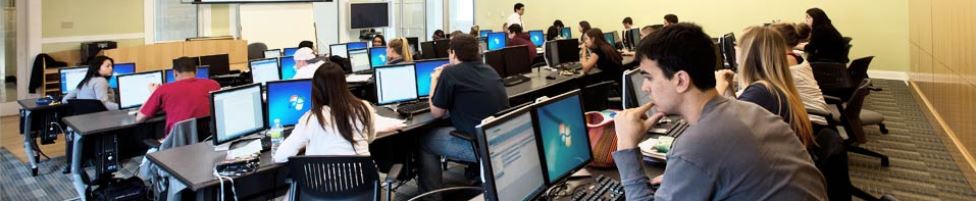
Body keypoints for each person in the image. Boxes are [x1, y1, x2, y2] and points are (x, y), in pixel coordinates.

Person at [612, 23, 827, 201]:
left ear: (680, 80)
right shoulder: (751, 110)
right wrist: (683, 175)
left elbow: (704, 155)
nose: (644, 88)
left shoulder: (697, 146)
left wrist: (626, 146)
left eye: (648, 77)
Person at [418, 34, 509, 201]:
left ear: (453, 53)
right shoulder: (489, 69)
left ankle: (431, 198)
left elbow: (436, 113)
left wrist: (434, 80)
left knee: (425, 141)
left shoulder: (450, 73)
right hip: (499, 138)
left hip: (476, 144)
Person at [273, 62, 403, 163]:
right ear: (344, 84)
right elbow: (368, 138)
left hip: (322, 191)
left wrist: (306, 144)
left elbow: (280, 157)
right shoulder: (364, 107)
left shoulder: (311, 118)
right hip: (362, 188)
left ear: (316, 89)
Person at [715, 26, 815, 147]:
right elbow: (738, 114)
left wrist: (718, 91)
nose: (735, 48)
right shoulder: (770, 86)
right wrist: (729, 88)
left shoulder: (761, 92)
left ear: (748, 53)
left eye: (737, 46)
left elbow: (721, 129)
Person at [136, 57, 221, 135]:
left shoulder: (163, 90)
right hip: (208, 139)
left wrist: (152, 93)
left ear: (175, 73)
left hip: (176, 144)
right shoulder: (213, 84)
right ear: (196, 70)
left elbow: (139, 118)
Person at [771, 23, 831, 127]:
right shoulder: (797, 56)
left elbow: (768, 83)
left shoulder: (788, 60)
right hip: (817, 113)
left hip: (810, 119)